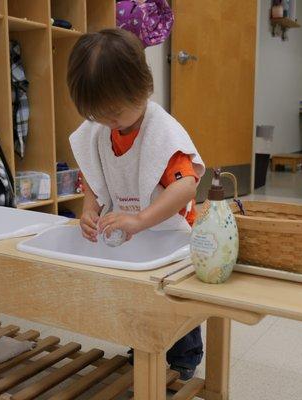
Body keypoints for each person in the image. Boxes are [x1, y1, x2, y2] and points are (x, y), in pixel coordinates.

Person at [67, 28, 205, 380]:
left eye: (114, 113)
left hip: (170, 232)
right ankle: (141, 342)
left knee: (172, 295)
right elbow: (93, 180)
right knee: (135, 293)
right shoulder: (101, 131)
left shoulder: (162, 133)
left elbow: (186, 186)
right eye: (98, 115)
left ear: (143, 88)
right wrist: (89, 210)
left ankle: (184, 356)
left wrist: (141, 219)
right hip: (132, 231)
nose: (108, 122)